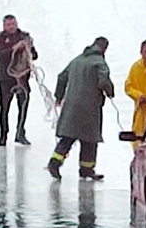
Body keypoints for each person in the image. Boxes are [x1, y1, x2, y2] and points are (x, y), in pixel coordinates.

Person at [49, 37, 114, 181]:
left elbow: (61, 77)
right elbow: (103, 81)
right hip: (89, 107)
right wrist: (110, 92)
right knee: (89, 140)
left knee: (67, 137)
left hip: (71, 105)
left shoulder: (77, 60)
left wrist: (59, 97)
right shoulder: (99, 62)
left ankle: (54, 163)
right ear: (104, 48)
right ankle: (86, 170)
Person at [0, 15, 38, 146]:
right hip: (5, 79)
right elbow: (1, 55)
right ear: (4, 26)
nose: (11, 27)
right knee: (4, 107)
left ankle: (20, 133)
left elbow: (34, 55)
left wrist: (28, 50)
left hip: (22, 79)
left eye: (13, 24)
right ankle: (3, 134)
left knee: (23, 106)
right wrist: (15, 48)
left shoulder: (25, 36)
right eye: (8, 25)